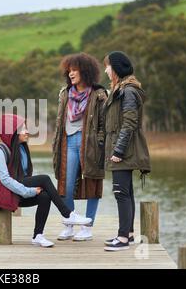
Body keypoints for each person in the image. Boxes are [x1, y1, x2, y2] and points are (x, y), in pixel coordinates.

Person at [0, 114, 92, 248]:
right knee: (45, 179)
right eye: (23, 129)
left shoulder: (22, 148)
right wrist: (28, 191)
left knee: (45, 196)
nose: (27, 131)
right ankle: (68, 214)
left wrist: (32, 189)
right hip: (8, 194)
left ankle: (38, 236)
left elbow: (24, 176)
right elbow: (5, 180)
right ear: (12, 132)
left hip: (18, 190)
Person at [52, 53, 108, 242]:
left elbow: (103, 124)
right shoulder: (64, 93)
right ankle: (69, 223)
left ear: (85, 71)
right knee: (65, 186)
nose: (70, 73)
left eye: (74, 70)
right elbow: (60, 121)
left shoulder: (99, 94)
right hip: (68, 142)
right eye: (69, 70)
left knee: (93, 184)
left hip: (90, 145)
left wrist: (99, 143)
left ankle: (87, 228)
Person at [102, 51, 151, 251]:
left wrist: (119, 151)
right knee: (126, 192)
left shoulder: (128, 91)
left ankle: (122, 239)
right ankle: (128, 234)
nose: (105, 70)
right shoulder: (121, 89)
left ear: (116, 68)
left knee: (120, 192)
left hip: (124, 150)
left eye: (107, 66)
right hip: (122, 147)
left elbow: (129, 123)